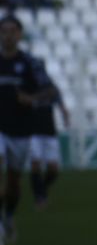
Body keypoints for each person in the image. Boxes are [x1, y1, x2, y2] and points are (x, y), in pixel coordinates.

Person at [0, 15, 54, 245]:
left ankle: (9, 216)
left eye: (12, 30)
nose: (8, 34)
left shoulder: (31, 63)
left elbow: (50, 90)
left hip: (21, 132)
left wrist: (30, 98)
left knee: (13, 185)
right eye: (4, 30)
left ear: (20, 34)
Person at [24, 56, 67, 209]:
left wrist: (65, 115)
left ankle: (41, 187)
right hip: (33, 131)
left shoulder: (51, 89)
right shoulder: (27, 87)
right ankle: (40, 197)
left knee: (53, 169)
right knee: (35, 164)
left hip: (49, 132)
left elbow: (60, 103)